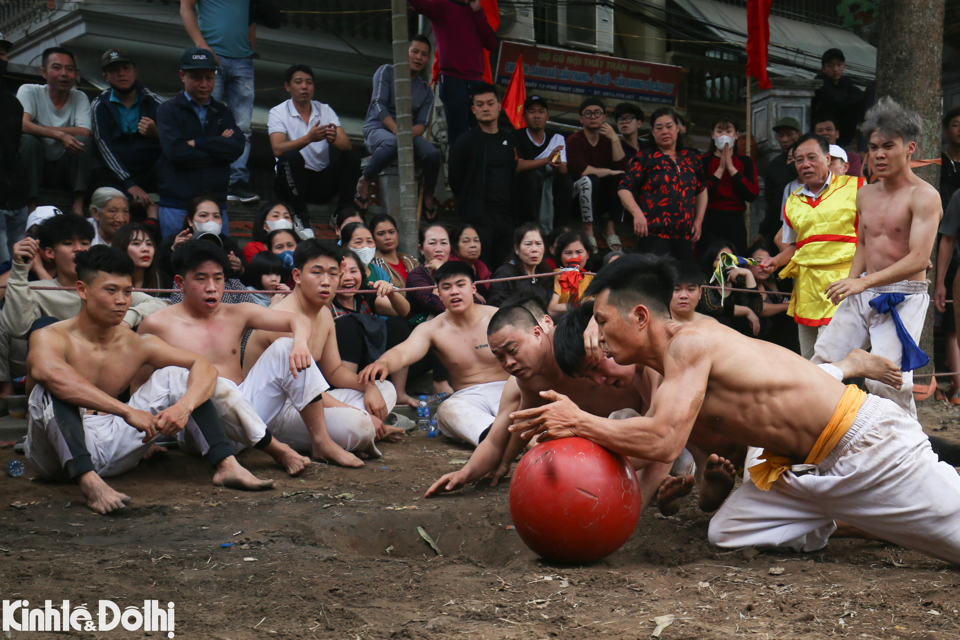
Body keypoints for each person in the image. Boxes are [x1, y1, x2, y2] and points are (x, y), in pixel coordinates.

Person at [510, 254, 960, 566]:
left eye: (604, 323)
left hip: (865, 443)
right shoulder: (668, 369)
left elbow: (663, 440)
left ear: (642, 317)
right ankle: (861, 514)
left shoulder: (688, 344)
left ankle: (880, 511)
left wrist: (577, 421)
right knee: (727, 530)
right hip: (799, 469)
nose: (599, 337)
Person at [25, 245, 272, 514]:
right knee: (47, 388)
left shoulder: (137, 344)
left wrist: (184, 407)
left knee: (177, 375)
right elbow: (50, 374)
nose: (121, 300)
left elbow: (204, 367)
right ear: (83, 290)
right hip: (53, 456)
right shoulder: (49, 336)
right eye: (111, 290)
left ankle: (227, 465)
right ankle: (90, 484)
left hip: (112, 441)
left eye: (127, 291)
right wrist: (126, 410)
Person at [138, 239, 364, 471]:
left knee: (285, 346)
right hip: (198, 428)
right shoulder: (157, 324)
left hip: (249, 420)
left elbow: (298, 320)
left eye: (218, 278)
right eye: (201, 278)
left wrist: (299, 342)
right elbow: (143, 386)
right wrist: (146, 442)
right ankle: (274, 450)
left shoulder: (238, 313)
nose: (212, 287)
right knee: (207, 379)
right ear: (180, 282)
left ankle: (322, 442)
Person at [424, 295, 649, 502]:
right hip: (601, 453)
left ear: (538, 332)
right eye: (499, 357)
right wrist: (467, 473)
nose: (508, 363)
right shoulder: (529, 380)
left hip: (643, 430)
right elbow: (507, 434)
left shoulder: (584, 339)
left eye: (513, 350)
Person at [812, 98, 941, 418]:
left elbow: (918, 258)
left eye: (888, 146)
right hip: (863, 290)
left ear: (910, 147)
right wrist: (854, 281)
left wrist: (862, 282)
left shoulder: (924, 195)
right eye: (873, 147)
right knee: (822, 365)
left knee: (888, 381)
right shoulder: (865, 193)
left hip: (904, 296)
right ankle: (816, 440)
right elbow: (864, 246)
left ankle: (906, 453)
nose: (879, 154)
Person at [243, 239, 400, 460]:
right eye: (317, 273)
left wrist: (369, 387)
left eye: (332, 274)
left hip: (310, 403)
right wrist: (359, 414)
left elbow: (334, 370)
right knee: (359, 426)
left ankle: (367, 425)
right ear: (297, 276)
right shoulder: (282, 317)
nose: (326, 282)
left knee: (385, 389)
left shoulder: (324, 313)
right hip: (275, 412)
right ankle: (356, 430)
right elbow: (301, 390)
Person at [359, 261, 509, 446]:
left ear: (473, 288)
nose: (454, 292)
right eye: (446, 287)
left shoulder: (499, 317)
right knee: (447, 410)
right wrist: (383, 363)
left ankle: (507, 435)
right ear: (438, 293)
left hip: (508, 390)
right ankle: (495, 439)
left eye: (460, 285)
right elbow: (404, 352)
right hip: (469, 398)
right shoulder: (432, 329)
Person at [760, 133, 862, 359]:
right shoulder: (793, 201)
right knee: (808, 359)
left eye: (812, 158)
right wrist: (774, 261)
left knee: (831, 361)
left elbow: (879, 232)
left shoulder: (857, 188)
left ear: (827, 159)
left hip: (843, 286)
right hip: (806, 289)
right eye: (799, 160)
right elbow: (795, 246)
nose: (805, 164)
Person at [1, 213, 166, 341]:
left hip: (104, 362)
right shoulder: (36, 290)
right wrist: (20, 267)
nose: (78, 249)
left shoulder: (108, 288)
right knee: (44, 325)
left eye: (85, 243)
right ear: (50, 252)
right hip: (51, 368)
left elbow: (161, 304)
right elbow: (17, 329)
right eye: (68, 243)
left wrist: (128, 319)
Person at [156, 47, 243, 239]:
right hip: (176, 202)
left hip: (215, 203)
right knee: (174, 257)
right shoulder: (168, 110)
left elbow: (236, 148)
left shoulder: (223, 112)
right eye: (196, 77)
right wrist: (218, 150)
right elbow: (176, 152)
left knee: (218, 258)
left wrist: (197, 143)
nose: (204, 84)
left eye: (209, 77)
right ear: (182, 75)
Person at [180, 0, 258, 204]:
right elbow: (185, 6)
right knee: (203, 119)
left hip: (242, 58)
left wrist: (252, 31)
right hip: (211, 56)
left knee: (242, 125)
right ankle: (202, 177)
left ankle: (236, 181)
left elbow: (252, 11)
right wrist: (201, 45)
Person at [269, 65, 361, 227]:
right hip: (290, 183)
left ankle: (342, 213)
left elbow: (346, 145)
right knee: (291, 156)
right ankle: (301, 216)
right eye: (298, 82)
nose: (304, 87)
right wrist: (308, 138)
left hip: (319, 182)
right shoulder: (278, 112)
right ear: (287, 86)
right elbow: (277, 148)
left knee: (351, 157)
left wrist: (333, 139)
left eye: (309, 82)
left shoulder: (324, 110)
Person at [358, 35, 439, 217]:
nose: (418, 58)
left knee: (432, 154)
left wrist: (405, 135)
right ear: (405, 52)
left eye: (424, 55)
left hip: (408, 134)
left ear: (428, 59)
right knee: (392, 143)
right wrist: (397, 131)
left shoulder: (426, 90)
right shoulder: (386, 71)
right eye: (415, 52)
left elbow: (423, 124)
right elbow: (378, 105)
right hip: (379, 128)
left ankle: (428, 194)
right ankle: (364, 179)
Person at [447, 83, 520, 268]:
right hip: (477, 218)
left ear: (499, 106)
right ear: (473, 109)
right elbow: (455, 180)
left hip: (506, 217)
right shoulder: (465, 142)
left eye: (489, 103)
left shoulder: (510, 140)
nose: (485, 108)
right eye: (479, 104)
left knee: (504, 269)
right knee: (479, 269)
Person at [619, 107, 707, 261]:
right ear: (652, 132)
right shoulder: (646, 157)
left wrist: (698, 220)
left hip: (684, 236)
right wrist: (637, 214)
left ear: (678, 128)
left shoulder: (691, 157)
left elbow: (701, 189)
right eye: (659, 128)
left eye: (669, 126)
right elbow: (624, 188)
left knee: (684, 283)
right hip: (653, 233)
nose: (664, 132)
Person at [407, 0, 497, 145]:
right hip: (453, 79)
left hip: (476, 80)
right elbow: (419, 5)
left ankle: (478, 167)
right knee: (459, 135)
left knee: (483, 135)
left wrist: (478, 12)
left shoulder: (476, 11)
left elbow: (491, 42)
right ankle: (459, 167)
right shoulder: (443, 5)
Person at [17, 47, 93, 217]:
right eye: (57, 68)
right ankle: (31, 204)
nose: (64, 74)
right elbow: (21, 124)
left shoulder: (79, 97)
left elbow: (84, 131)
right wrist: (59, 135)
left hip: (65, 167)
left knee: (83, 141)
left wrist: (40, 129)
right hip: (37, 164)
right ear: (44, 72)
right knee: (28, 140)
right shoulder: (29, 91)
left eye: (70, 69)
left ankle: (78, 204)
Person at [333, 249, 415, 407]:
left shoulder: (364, 295)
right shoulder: (326, 300)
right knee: (348, 324)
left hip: (372, 362)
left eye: (353, 271)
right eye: (340, 272)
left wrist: (391, 292)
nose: (348, 277)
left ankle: (400, 393)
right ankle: (347, 393)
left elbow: (404, 311)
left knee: (398, 325)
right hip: (338, 368)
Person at [90, 49, 163, 220]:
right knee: (99, 182)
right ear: (106, 76)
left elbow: (176, 139)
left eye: (126, 68)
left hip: (151, 173)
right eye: (114, 71)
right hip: (117, 176)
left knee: (170, 166)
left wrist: (157, 133)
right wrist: (129, 183)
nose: (121, 74)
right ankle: (138, 203)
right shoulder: (99, 105)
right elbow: (102, 147)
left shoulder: (155, 101)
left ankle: (150, 210)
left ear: (134, 72)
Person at [566, 98, 627, 252]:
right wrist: (608, 171)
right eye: (588, 113)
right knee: (590, 179)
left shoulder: (608, 140)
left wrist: (614, 138)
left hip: (600, 201)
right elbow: (581, 170)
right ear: (581, 119)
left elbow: (621, 167)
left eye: (597, 113)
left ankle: (610, 228)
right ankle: (588, 229)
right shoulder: (574, 140)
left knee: (622, 178)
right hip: (578, 200)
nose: (593, 116)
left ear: (604, 117)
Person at [697, 115, 759, 256]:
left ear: (736, 135)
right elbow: (700, 194)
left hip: (735, 220)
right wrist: (719, 170)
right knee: (707, 260)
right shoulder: (702, 161)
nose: (724, 136)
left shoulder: (746, 162)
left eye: (728, 131)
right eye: (719, 131)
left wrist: (731, 168)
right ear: (712, 134)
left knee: (735, 262)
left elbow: (752, 194)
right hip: (708, 220)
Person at [514, 95, 571, 234]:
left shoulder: (557, 138)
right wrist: (546, 160)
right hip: (523, 185)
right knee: (529, 176)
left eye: (541, 111)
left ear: (547, 116)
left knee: (566, 180)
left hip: (549, 181)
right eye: (532, 112)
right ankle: (529, 227)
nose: (536, 115)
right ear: (524, 117)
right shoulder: (516, 136)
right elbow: (518, 166)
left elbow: (563, 169)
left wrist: (556, 163)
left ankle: (559, 230)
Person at [158, 197, 245, 282]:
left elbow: (247, 279)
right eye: (203, 215)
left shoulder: (228, 245)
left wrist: (240, 269)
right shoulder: (173, 242)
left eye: (216, 216)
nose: (211, 220)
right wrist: (173, 251)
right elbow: (160, 274)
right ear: (190, 221)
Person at [0, 34, 29, 264]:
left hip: (15, 199)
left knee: (17, 269)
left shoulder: (12, 103)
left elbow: (14, 147)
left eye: (2, 53)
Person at [697, 240, 763, 337]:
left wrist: (749, 275)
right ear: (711, 262)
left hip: (738, 335)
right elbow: (711, 306)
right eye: (719, 260)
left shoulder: (739, 280)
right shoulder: (704, 279)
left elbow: (756, 309)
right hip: (711, 334)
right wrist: (746, 310)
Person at [756, 117, 801, 247]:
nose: (785, 139)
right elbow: (771, 203)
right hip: (779, 226)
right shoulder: (773, 166)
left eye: (789, 134)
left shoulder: (808, 163)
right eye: (781, 135)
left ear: (799, 135)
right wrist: (762, 232)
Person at [811, 49, 866, 150]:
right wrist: (842, 98)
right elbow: (836, 98)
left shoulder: (846, 82)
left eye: (839, 65)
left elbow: (860, 96)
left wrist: (841, 99)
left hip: (843, 139)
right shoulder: (820, 81)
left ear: (844, 65)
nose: (835, 69)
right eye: (830, 66)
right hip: (821, 136)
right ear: (823, 68)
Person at [488, 222, 553, 307]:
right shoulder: (505, 274)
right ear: (517, 249)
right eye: (528, 244)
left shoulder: (545, 274)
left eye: (538, 244)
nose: (534, 249)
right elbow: (496, 307)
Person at [749, 244, 798, 353]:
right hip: (750, 341)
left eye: (767, 262)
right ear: (747, 264)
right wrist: (786, 306)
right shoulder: (741, 286)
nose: (763, 266)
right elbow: (759, 309)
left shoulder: (771, 287)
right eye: (758, 261)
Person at [113, 222, 172, 293]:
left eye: (149, 244)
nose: (145, 249)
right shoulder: (110, 279)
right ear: (121, 248)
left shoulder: (164, 280)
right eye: (136, 243)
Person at [547, 230, 593, 316]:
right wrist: (582, 304)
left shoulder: (592, 278)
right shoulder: (558, 275)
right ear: (560, 256)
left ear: (588, 254)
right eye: (568, 253)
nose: (574, 257)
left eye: (579, 252)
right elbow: (552, 309)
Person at [370, 212, 418, 290]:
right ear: (372, 238)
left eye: (391, 232)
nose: (388, 237)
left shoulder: (409, 260)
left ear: (397, 233)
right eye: (381, 234)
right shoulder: (374, 264)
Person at [339, 222, 391, 286]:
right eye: (358, 242)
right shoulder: (336, 271)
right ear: (345, 246)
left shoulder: (380, 272)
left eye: (369, 241)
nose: (365, 247)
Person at [450, 223, 491, 299]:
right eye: (466, 241)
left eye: (476, 240)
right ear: (455, 248)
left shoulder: (482, 267)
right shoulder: (449, 269)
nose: (473, 245)